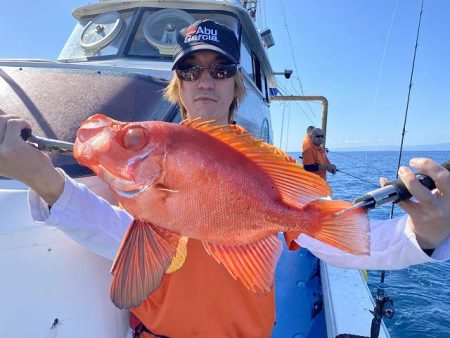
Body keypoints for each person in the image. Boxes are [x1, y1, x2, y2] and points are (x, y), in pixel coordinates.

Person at [0, 20, 449, 338]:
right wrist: (42, 179)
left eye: (221, 70)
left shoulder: (272, 164)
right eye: (190, 70)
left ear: (237, 85)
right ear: (177, 85)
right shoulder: (151, 164)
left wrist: (424, 235)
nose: (205, 81)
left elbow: (337, 239)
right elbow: (122, 234)